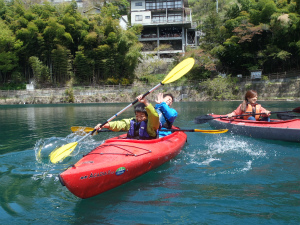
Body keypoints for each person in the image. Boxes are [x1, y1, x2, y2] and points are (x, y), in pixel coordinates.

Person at [94, 95, 160, 139]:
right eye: (137, 116)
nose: (139, 118)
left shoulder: (152, 124)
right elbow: (119, 124)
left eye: (142, 116)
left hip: (147, 145)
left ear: (147, 116)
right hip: (131, 144)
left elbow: (154, 116)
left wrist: (146, 102)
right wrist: (105, 125)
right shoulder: (132, 122)